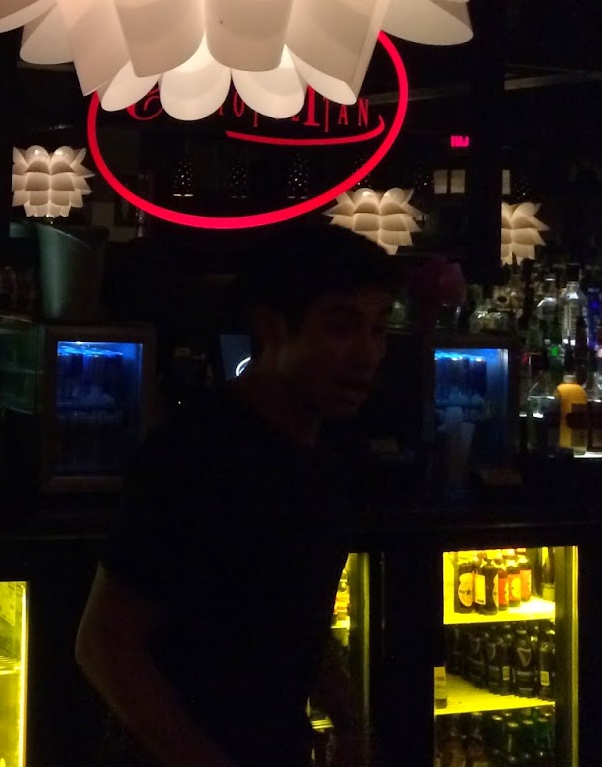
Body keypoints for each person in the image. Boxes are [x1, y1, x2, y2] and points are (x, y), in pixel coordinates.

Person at [75, 223, 399, 767]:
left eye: (379, 329)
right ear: (272, 327)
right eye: (343, 327)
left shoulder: (326, 456)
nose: (367, 353)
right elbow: (105, 643)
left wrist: (346, 717)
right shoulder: (198, 450)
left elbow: (293, 615)